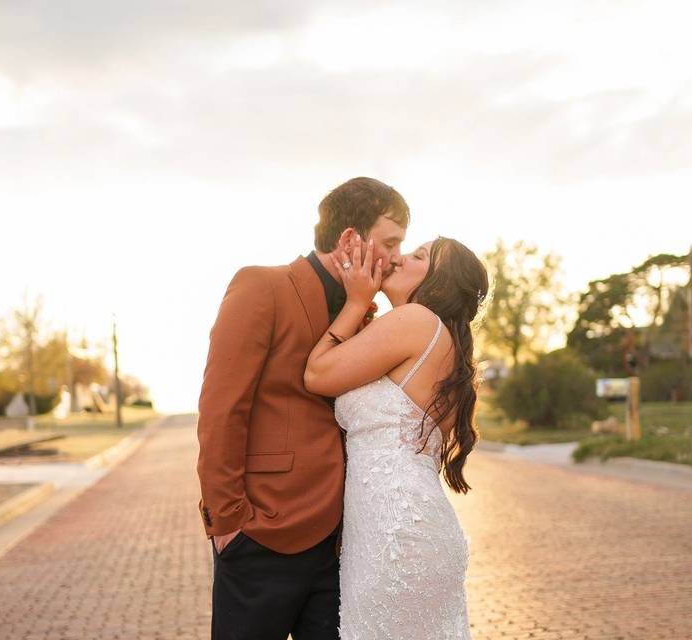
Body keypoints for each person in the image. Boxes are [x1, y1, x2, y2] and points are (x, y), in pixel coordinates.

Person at [197, 177, 410, 639]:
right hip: (261, 534)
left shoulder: (367, 315)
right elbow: (221, 409)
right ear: (350, 239)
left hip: (340, 547)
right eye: (391, 242)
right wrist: (229, 523)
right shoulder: (262, 286)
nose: (395, 257)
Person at [304, 235, 489, 639]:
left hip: (397, 537)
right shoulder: (438, 339)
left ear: (439, 282)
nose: (400, 258)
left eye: (419, 256)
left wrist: (355, 303)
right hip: (396, 529)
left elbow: (317, 375)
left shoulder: (416, 321)